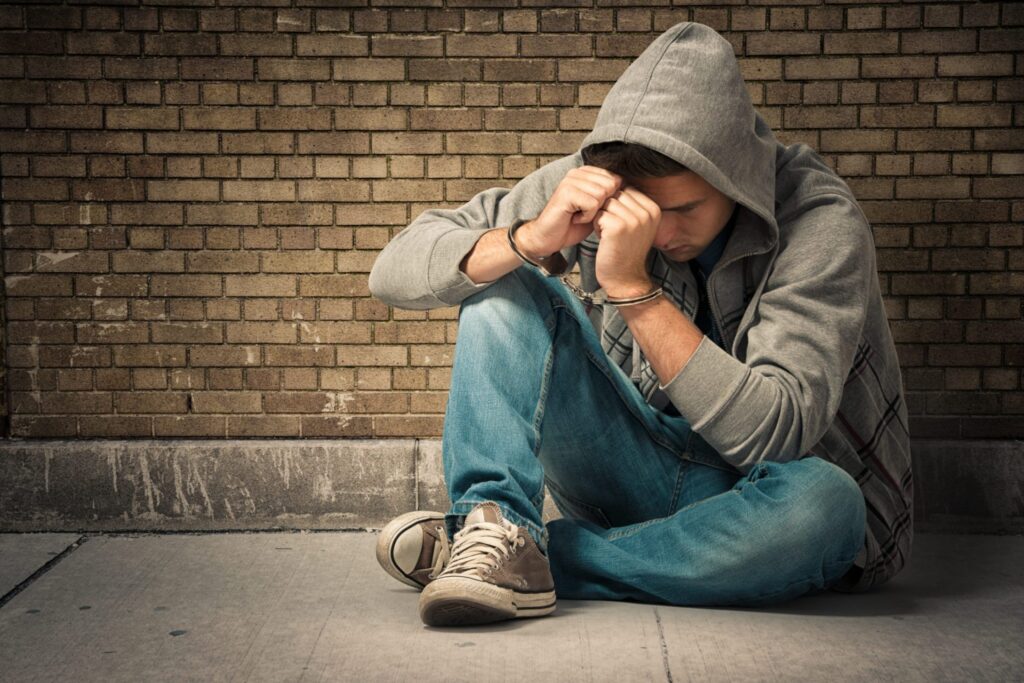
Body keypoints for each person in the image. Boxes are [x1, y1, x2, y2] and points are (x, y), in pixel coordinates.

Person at [368, 21, 912, 628]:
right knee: (505, 281)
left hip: (769, 504)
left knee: (828, 505)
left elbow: (774, 436)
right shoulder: (593, 179)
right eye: (643, 211)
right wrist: (528, 239)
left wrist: (633, 288)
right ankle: (495, 527)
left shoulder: (819, 219)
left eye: (684, 209)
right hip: (636, 468)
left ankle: (516, 554)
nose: (663, 231)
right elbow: (391, 270)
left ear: (735, 176)